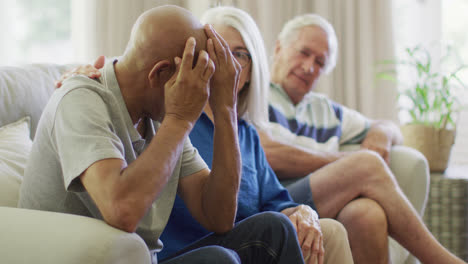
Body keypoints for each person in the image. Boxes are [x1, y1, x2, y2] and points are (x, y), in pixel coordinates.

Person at [54, 6, 354, 264]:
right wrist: (179, 118)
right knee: (219, 259)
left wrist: (225, 111)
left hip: (153, 255)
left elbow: (220, 218)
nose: (210, 76)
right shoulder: (89, 98)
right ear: (161, 74)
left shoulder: (164, 120)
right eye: (201, 67)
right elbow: (123, 211)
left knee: (275, 227)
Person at [259, 13, 467, 264]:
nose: (309, 67)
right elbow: (267, 152)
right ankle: (442, 261)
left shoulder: (327, 111)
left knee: (367, 213)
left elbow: (389, 127)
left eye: (320, 62)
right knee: (366, 164)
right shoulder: (255, 95)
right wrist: (347, 164)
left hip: (320, 201)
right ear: (279, 47)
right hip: (274, 201)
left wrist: (380, 134)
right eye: (304, 53)